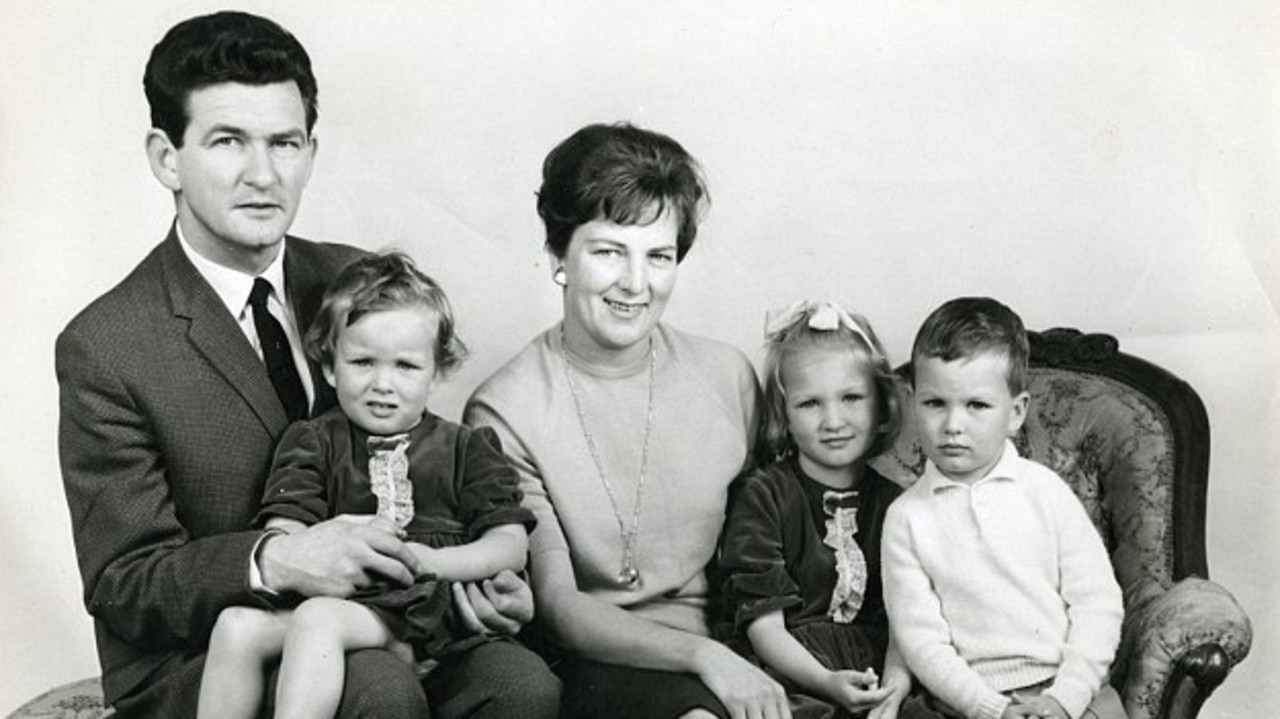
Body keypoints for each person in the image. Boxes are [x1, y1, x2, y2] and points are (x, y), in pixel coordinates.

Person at [56, 11, 552, 718]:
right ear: (167, 156)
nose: (263, 174)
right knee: (375, 685)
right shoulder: (108, 344)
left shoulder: (358, 282)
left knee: (521, 680)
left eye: (284, 143)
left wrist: (497, 584)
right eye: (229, 141)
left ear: (311, 151)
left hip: (392, 611)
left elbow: (437, 465)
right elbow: (124, 581)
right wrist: (274, 558)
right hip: (213, 653)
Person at [465, 122, 789, 719]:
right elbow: (561, 609)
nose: (636, 284)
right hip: (604, 667)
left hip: (741, 647)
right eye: (610, 251)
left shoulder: (728, 376)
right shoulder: (504, 410)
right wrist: (706, 660)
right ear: (558, 257)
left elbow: (766, 552)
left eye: (658, 256)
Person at [196, 252, 554, 719]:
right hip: (349, 604)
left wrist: (433, 562)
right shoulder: (313, 442)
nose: (383, 384)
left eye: (406, 367)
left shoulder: (467, 447)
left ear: (437, 371)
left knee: (318, 619)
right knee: (235, 627)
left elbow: (510, 546)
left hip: (433, 608)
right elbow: (286, 533)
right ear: (329, 366)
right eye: (363, 362)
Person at [881, 298, 1125, 719]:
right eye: (935, 403)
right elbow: (920, 639)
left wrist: (1065, 698)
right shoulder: (906, 518)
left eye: (976, 405)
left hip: (1070, 691)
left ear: (1015, 413)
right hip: (968, 702)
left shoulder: (1046, 492)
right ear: (911, 401)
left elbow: (1098, 604)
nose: (953, 425)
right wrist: (990, 708)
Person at [719, 301, 942, 719]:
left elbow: (907, 621)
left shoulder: (899, 504)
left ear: (881, 407)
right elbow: (763, 626)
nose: (833, 420)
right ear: (784, 417)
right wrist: (826, 682)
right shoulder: (764, 494)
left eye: (851, 398)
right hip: (791, 670)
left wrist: (895, 687)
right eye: (810, 404)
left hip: (881, 665)